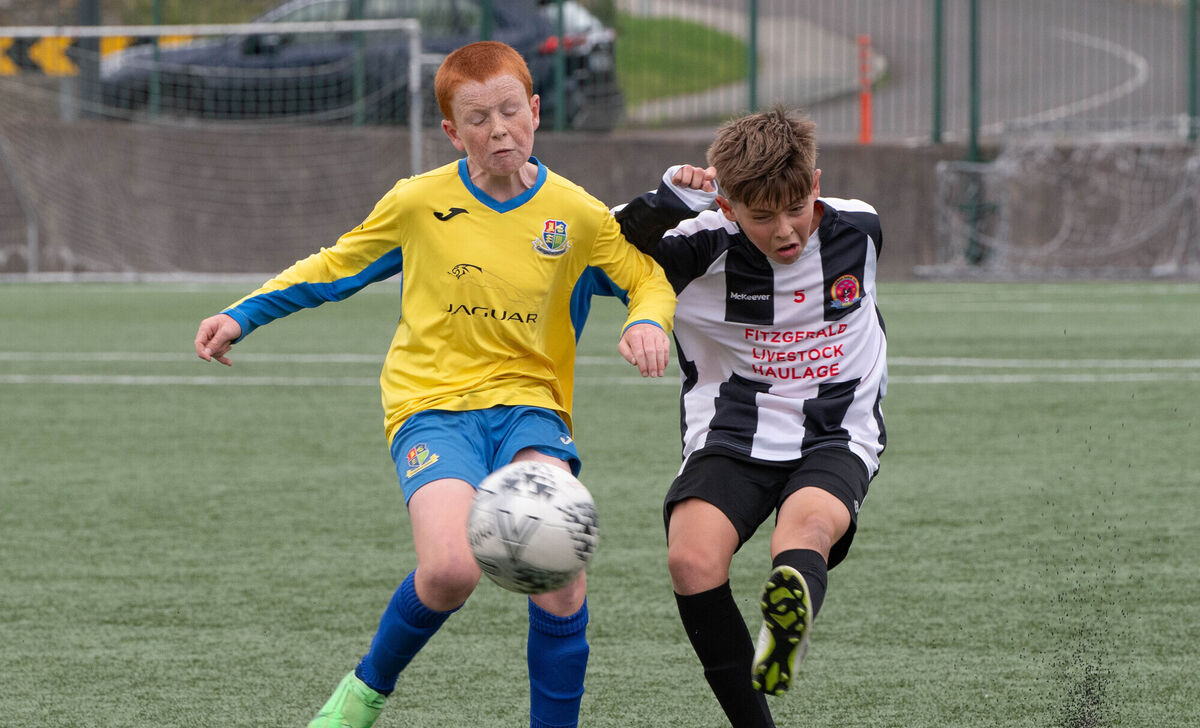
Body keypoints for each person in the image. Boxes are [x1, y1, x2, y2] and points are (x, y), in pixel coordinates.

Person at [193, 41, 675, 728]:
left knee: (561, 572)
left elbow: (645, 277)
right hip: (433, 407)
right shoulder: (418, 203)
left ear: (535, 111)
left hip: (530, 410)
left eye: (511, 111)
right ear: (453, 131)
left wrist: (647, 321)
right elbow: (335, 267)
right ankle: (364, 692)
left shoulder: (578, 214)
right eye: (478, 119)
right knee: (451, 570)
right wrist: (243, 313)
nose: (499, 130)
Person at [612, 107, 887, 728]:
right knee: (692, 559)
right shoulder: (698, 242)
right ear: (729, 208)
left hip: (835, 428)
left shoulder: (860, 228)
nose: (786, 230)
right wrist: (668, 201)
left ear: (814, 184)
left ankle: (788, 610)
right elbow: (600, 246)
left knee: (805, 529)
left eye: (795, 207)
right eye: (762, 216)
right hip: (733, 428)